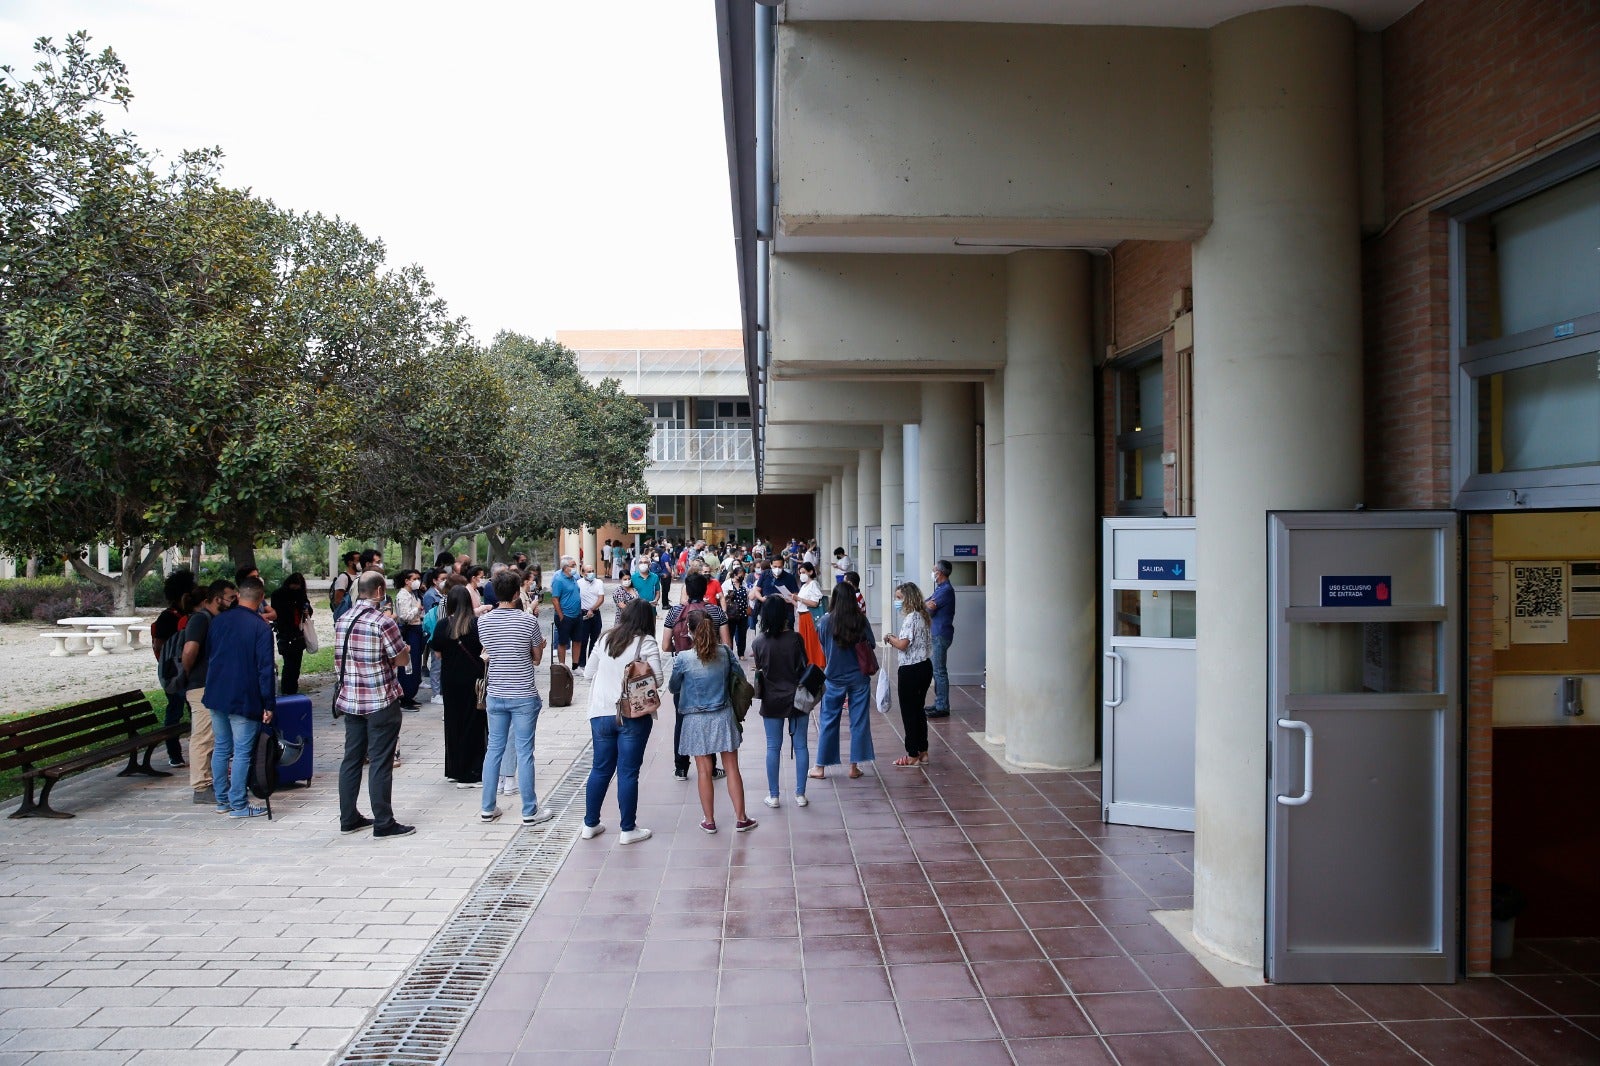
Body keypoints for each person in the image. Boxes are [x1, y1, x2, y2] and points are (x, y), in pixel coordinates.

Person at [333, 571, 414, 838]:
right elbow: (400, 660)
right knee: (381, 760)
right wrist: (404, 652)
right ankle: (383, 821)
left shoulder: (343, 620)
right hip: (380, 699)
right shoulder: (382, 622)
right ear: (379, 591)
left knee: (352, 759)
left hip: (351, 699)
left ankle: (348, 817)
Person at [580, 597, 664, 844]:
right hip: (632, 716)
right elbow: (657, 680)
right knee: (628, 772)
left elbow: (587, 673)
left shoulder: (605, 638)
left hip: (600, 714)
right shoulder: (646, 642)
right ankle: (627, 829)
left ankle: (590, 824)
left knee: (600, 769)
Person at [477, 569, 554, 826]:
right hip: (522, 692)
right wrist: (539, 647)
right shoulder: (527, 621)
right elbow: (536, 659)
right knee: (524, 752)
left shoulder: (483, 621)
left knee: (493, 749)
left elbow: (489, 651)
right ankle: (529, 809)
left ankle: (488, 806)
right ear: (515, 592)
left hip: (496, 691)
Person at [669, 609, 756, 835]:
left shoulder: (684, 658)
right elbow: (740, 678)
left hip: (695, 720)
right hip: (723, 715)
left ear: (689, 630)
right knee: (732, 768)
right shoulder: (725, 653)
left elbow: (673, 687)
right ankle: (741, 818)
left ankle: (709, 821)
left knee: (704, 772)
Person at [201, 576, 276, 818]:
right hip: (245, 695)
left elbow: (211, 653)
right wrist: (268, 703)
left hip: (217, 692)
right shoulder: (261, 627)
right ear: (261, 598)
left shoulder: (219, 620)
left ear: (239, 596)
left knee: (222, 747)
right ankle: (239, 804)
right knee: (242, 751)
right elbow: (265, 669)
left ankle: (222, 799)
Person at [663, 573, 730, 781]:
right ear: (705, 590)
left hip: (684, 674)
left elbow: (665, 646)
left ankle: (681, 768)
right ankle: (710, 768)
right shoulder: (716, 612)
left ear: (687, 590)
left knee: (681, 720)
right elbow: (727, 646)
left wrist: (683, 651)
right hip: (711, 672)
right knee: (709, 717)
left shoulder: (675, 612)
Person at [811, 579, 876, 780]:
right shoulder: (861, 620)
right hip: (859, 677)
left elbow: (823, 646)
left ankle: (820, 767)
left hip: (833, 676)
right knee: (859, 720)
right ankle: (854, 766)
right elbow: (871, 644)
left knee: (829, 720)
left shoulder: (824, 621)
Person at [752, 597, 811, 809]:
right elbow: (804, 666)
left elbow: (760, 667)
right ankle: (800, 794)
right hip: (797, 698)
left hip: (771, 700)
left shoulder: (758, 642)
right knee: (801, 745)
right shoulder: (796, 639)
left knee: (772, 747)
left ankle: (774, 795)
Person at [181, 580, 232, 805]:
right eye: (230, 598)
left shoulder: (215, 620)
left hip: (212, 685)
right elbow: (190, 650)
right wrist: (188, 674)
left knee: (214, 737)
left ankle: (212, 781)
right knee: (203, 737)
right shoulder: (200, 619)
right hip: (200, 685)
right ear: (216, 598)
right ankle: (201, 786)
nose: (233, 602)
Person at [430, 586, 486, 789]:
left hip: (450, 680)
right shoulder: (477, 625)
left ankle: (455, 768)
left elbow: (437, 653)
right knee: (474, 723)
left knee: (453, 723)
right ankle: (471, 772)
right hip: (473, 680)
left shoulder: (443, 625)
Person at [150, 569, 197, 769]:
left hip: (186, 672)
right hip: (176, 673)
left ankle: (193, 752)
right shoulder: (168, 618)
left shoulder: (190, 615)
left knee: (192, 712)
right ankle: (174, 753)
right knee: (175, 711)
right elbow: (158, 645)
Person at [883, 582, 933, 766]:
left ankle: (912, 753)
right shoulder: (923, 616)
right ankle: (923, 750)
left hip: (910, 669)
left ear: (908, 599)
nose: (896, 602)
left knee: (909, 712)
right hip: (924, 667)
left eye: (898, 598)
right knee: (919, 710)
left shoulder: (911, 618)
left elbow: (903, 644)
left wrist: (889, 638)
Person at [269, 574, 313, 696]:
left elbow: (308, 609)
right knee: (289, 664)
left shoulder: (300, 595)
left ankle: (292, 689)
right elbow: (279, 614)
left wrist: (305, 609)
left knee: (295, 664)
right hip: (285, 633)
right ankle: (287, 690)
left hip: (297, 633)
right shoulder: (279, 595)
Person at [925, 559, 957, 719]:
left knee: (939, 671)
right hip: (937, 633)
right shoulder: (940, 589)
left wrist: (926, 606)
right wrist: (926, 605)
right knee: (937, 671)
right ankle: (939, 702)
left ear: (940, 573)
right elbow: (926, 604)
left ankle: (942, 706)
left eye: (934, 570)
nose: (932, 573)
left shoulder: (945, 591)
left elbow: (929, 610)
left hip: (940, 634)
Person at [393, 570, 426, 710]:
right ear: (407, 581)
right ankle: (405, 696)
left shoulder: (413, 594)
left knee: (415, 664)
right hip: (409, 631)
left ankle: (410, 695)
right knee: (408, 665)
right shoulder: (403, 595)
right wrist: (417, 609)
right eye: (414, 579)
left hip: (417, 629)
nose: (417, 581)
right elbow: (404, 616)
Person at [549, 555, 582, 668]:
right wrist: (561, 616)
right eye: (572, 565)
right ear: (565, 567)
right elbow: (554, 599)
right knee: (563, 642)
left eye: (575, 565)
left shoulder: (574, 578)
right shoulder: (558, 580)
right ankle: (562, 666)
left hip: (577, 615)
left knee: (577, 640)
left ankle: (575, 665)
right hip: (565, 615)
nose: (574, 567)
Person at [793, 561, 827, 668]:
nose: (801, 575)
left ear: (810, 572)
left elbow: (815, 603)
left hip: (810, 616)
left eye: (803, 572)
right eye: (800, 573)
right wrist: (792, 600)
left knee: (812, 642)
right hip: (803, 616)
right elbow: (801, 605)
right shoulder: (804, 586)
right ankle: (809, 664)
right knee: (805, 643)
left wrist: (799, 598)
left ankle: (817, 664)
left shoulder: (813, 584)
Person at [575, 562, 606, 666]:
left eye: (592, 571)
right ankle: (581, 663)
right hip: (582, 615)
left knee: (595, 640)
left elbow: (601, 598)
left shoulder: (599, 582)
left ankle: (592, 663)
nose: (591, 573)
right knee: (583, 640)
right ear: (583, 573)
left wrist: (592, 609)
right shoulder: (578, 583)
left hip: (595, 613)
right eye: (589, 572)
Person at [720, 565, 751, 658]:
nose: (741, 577)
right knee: (730, 633)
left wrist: (749, 608)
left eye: (743, 576)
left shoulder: (744, 584)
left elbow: (748, 597)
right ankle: (730, 653)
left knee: (742, 634)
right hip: (731, 613)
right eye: (740, 576)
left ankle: (741, 653)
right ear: (735, 575)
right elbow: (722, 597)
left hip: (743, 613)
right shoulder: (727, 584)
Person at [330, 551, 360, 617]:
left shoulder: (359, 576)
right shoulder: (343, 578)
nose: (360, 563)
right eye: (358, 560)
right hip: (347, 615)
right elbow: (338, 601)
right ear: (350, 562)